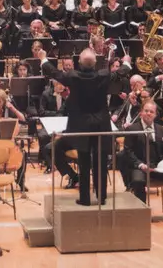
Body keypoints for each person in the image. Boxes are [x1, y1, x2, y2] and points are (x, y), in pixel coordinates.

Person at [39, 47, 113, 206]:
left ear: (79, 62)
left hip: (81, 125)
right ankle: (101, 197)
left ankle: (85, 198)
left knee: (84, 161)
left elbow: (54, 73)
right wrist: (126, 63)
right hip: (101, 125)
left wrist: (43, 58)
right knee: (100, 161)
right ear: (95, 63)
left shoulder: (73, 76)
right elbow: (121, 71)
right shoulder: (104, 75)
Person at [123, 100, 163, 225]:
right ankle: (142, 214)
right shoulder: (132, 129)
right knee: (138, 181)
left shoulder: (161, 129)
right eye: (146, 111)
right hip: (140, 167)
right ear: (141, 112)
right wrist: (141, 165)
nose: (148, 113)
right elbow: (128, 151)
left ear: (155, 114)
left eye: (151, 112)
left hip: (157, 168)